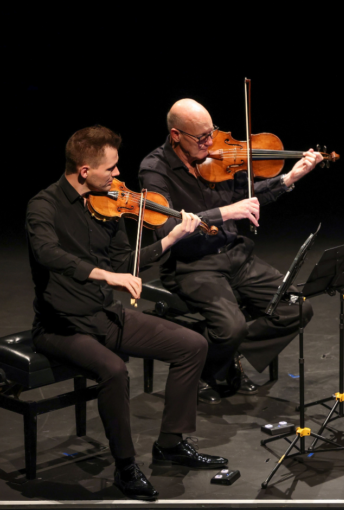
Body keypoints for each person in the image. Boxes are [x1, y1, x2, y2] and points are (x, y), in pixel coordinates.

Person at [27, 126, 227, 501]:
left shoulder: (110, 204)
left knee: (192, 345)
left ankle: (170, 443)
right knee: (115, 370)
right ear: (84, 170)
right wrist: (105, 275)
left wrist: (171, 239)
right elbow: (47, 253)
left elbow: (124, 262)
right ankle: (125, 467)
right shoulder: (44, 206)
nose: (119, 174)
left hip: (104, 314)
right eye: (111, 168)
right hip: (61, 326)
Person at [139, 99, 322, 404]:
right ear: (176, 135)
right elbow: (165, 228)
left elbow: (248, 198)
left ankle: (221, 352)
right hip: (193, 264)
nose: (210, 143)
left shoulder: (220, 157)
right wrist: (224, 213)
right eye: (201, 138)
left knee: (297, 307)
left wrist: (289, 178)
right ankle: (213, 361)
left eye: (212, 133)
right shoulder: (154, 169)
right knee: (230, 327)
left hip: (237, 257)